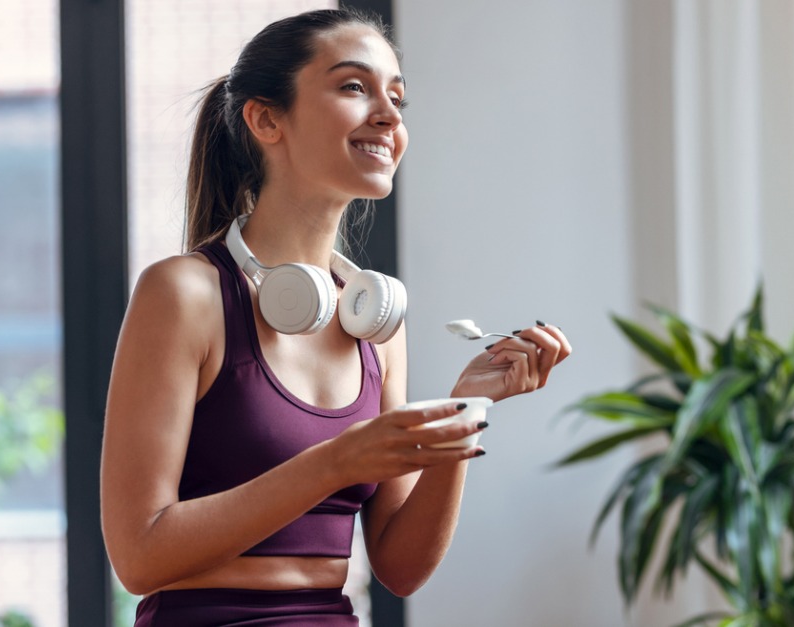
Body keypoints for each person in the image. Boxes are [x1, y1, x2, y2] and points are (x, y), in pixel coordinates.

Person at [100, 8, 572, 626]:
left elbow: (400, 568)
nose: (389, 115)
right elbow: (138, 556)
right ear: (267, 118)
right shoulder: (184, 293)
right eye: (355, 87)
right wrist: (335, 464)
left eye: (397, 97)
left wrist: (465, 410)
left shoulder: (376, 319)